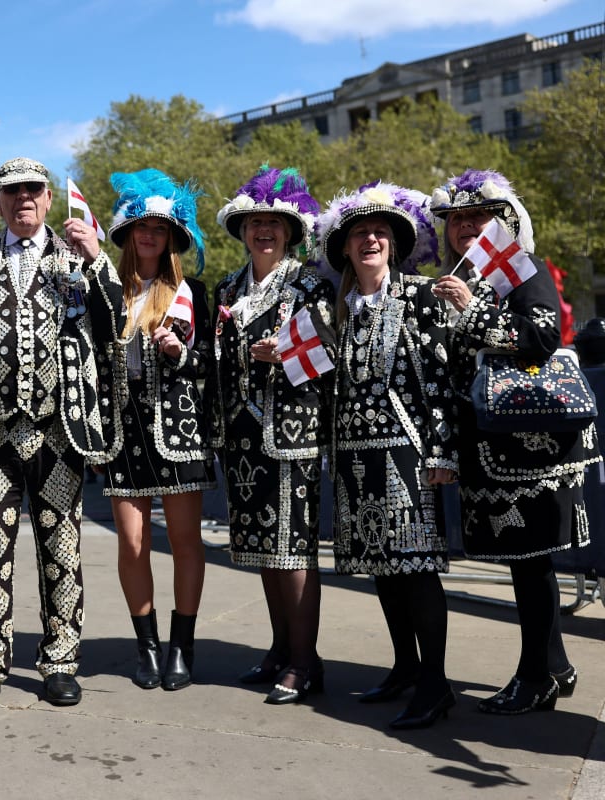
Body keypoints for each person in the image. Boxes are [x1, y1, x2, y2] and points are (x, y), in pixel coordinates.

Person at [0, 157, 125, 711]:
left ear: (47, 198)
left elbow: (116, 323)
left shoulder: (75, 255)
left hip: (58, 433)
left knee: (61, 547)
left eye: (32, 191)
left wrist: (98, 258)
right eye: (11, 192)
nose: (23, 201)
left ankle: (60, 661)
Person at [432, 170, 601, 714]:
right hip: (481, 445)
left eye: (475, 217)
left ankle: (536, 678)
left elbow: (543, 337)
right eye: (456, 219)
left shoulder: (519, 269)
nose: (464, 227)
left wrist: (472, 312)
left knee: (531, 562)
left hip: (530, 448)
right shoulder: (457, 276)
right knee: (522, 562)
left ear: (501, 222)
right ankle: (555, 666)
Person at [317, 182, 458, 728]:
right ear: (347, 249)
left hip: (407, 454)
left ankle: (436, 683)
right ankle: (404, 667)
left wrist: (442, 451)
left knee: (417, 569)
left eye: (379, 232)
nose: (370, 239)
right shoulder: (339, 311)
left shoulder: (420, 297)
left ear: (394, 246)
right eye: (359, 233)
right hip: (355, 454)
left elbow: (441, 382)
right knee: (382, 567)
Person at [213, 165, 333, 705]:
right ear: (242, 231)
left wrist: (286, 354)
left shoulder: (309, 283)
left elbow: (330, 353)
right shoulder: (228, 287)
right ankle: (281, 648)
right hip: (240, 436)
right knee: (263, 550)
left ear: (291, 232)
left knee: (293, 552)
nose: (264, 230)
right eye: (255, 222)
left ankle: (305, 663)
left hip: (292, 434)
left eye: (275, 223)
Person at [101, 169, 212, 691]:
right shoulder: (105, 293)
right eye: (141, 226)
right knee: (132, 543)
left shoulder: (193, 294)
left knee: (186, 541)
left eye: (159, 228)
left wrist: (179, 353)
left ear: (171, 238)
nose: (149, 234)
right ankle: (145, 646)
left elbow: (207, 366)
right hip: (124, 433)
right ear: (129, 234)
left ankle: (180, 648)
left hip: (179, 431)